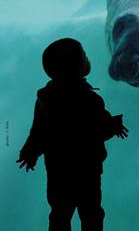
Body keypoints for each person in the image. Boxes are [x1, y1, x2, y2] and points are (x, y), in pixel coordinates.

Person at [16, 38, 128, 231]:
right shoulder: (90, 100)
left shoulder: (44, 100)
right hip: (87, 170)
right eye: (84, 56)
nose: (87, 57)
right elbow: (97, 130)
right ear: (79, 68)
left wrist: (30, 152)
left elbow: (39, 131)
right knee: (91, 213)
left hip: (58, 171)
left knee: (59, 213)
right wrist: (115, 125)